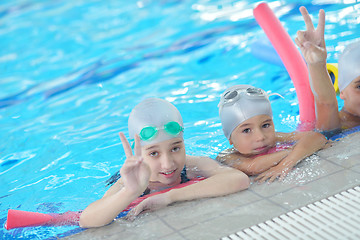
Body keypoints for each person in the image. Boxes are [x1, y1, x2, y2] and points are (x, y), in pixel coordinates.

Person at [79, 98, 250, 228]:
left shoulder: (191, 165)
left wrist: (169, 196)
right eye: (154, 153)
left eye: (175, 148)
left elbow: (238, 179)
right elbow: (86, 220)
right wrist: (129, 193)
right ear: (139, 153)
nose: (168, 164)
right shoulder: (130, 181)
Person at [216, 85, 327, 183]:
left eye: (265, 125)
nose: (260, 137)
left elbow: (317, 137)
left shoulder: (277, 138)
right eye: (246, 130)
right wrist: (299, 149)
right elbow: (253, 167)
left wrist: (285, 164)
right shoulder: (226, 156)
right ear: (230, 138)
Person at [295, 6, 360, 131]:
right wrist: (316, 64)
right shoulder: (337, 124)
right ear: (342, 92)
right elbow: (326, 102)